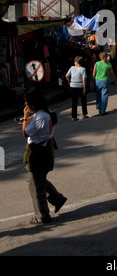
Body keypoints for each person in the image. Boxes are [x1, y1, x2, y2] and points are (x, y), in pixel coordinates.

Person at [22, 88, 67, 225]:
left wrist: (25, 118)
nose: (26, 107)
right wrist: (30, 118)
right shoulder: (46, 113)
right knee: (38, 181)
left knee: (37, 187)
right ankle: (57, 198)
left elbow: (25, 133)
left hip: (38, 153)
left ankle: (42, 215)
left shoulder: (40, 116)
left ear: (33, 105)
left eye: (26, 104)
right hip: (45, 151)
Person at [93, 51, 117, 115]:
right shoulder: (108, 65)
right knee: (104, 96)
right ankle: (103, 111)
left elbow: (94, 73)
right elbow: (112, 74)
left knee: (98, 94)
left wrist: (93, 80)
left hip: (97, 81)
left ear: (100, 57)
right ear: (106, 57)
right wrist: (115, 81)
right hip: (105, 81)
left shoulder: (97, 63)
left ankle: (99, 108)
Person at [65, 56, 88, 121]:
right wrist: (84, 88)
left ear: (76, 62)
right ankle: (84, 114)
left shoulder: (72, 68)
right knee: (83, 100)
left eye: (74, 62)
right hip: (80, 85)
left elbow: (66, 76)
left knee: (74, 102)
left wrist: (69, 81)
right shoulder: (83, 69)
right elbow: (84, 79)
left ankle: (74, 116)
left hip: (73, 85)